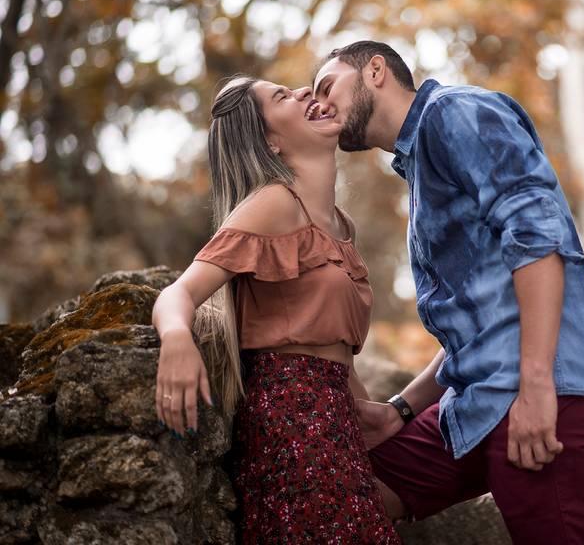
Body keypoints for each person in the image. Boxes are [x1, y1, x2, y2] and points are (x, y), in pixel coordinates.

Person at [313, 41, 584, 545]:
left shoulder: (453, 113)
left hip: (548, 394)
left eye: (326, 86)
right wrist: (398, 411)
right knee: (338, 490)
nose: (319, 103)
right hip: (476, 403)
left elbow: (538, 240)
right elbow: (479, 328)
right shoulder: (419, 163)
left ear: (375, 71)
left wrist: (539, 388)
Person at [151, 76, 400, 544]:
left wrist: (374, 419)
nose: (307, 92)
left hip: (335, 416)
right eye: (283, 97)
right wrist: (178, 340)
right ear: (270, 141)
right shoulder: (271, 204)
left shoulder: (341, 225)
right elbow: (177, 294)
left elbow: (334, 347)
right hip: (291, 419)